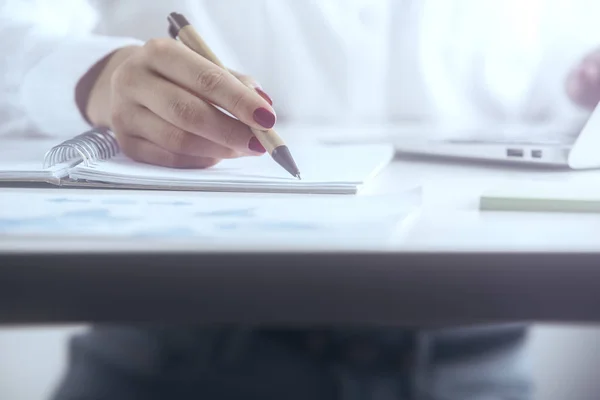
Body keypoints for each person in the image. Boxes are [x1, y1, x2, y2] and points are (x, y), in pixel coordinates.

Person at [1, 1, 600, 399]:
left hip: (478, 355)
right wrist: (93, 75)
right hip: (179, 354)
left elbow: (547, 49)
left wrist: (581, 75)